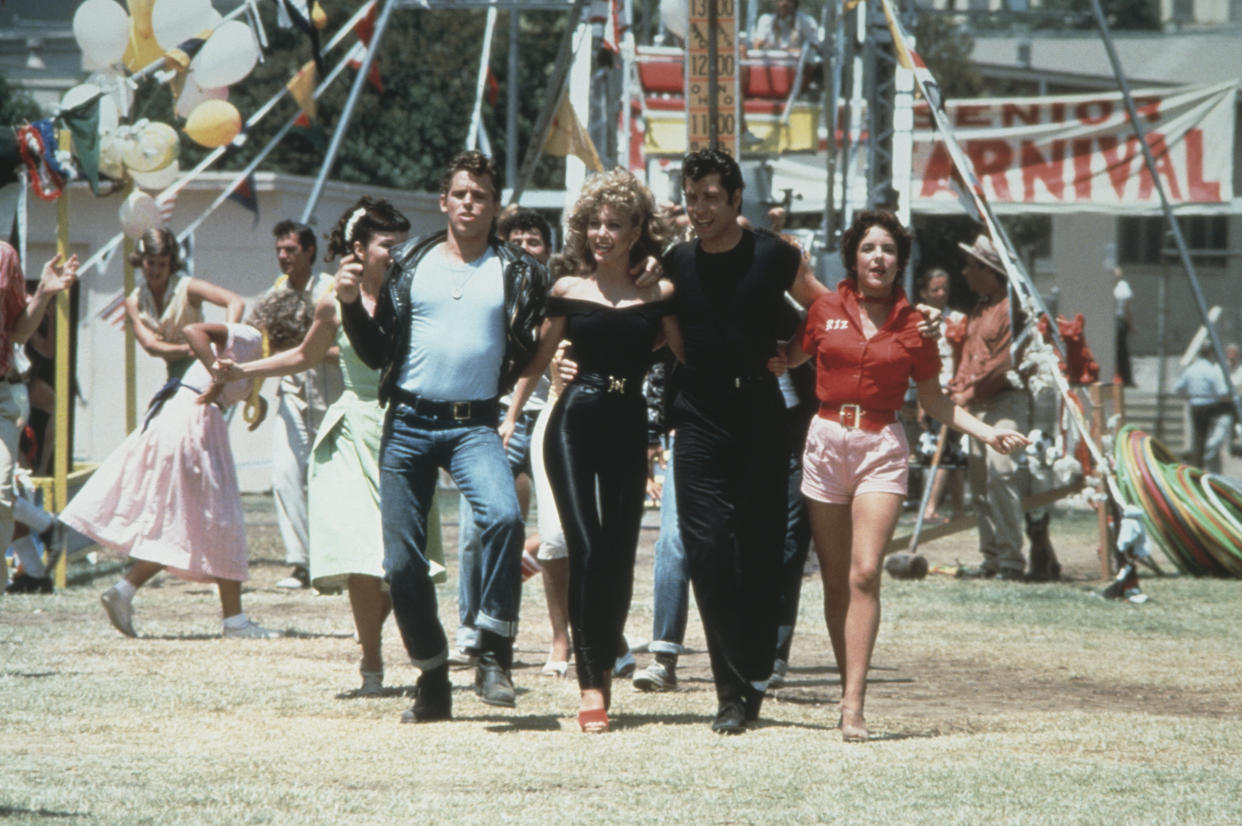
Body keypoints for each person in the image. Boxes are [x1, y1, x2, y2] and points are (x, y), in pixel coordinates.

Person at [774, 209, 1028, 742]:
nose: (878, 258)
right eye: (868, 248)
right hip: (823, 443)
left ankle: (854, 707)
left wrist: (987, 433)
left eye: (888, 250)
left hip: (881, 447)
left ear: (900, 262)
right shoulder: (822, 310)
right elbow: (786, 357)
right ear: (852, 258)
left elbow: (934, 400)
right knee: (837, 579)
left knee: (866, 573)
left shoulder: (916, 326)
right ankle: (848, 685)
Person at [337, 151, 548, 723]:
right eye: (460, 193)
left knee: (504, 517)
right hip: (406, 423)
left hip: (473, 423)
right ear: (444, 201)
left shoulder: (520, 270)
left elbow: (535, 339)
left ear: (494, 204)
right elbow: (378, 350)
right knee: (402, 565)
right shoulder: (410, 261)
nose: (469, 203)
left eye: (480, 195)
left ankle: (493, 651)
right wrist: (351, 303)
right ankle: (432, 678)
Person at [216, 197, 436, 695]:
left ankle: (407, 655)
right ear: (359, 249)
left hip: (404, 428)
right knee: (362, 555)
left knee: (400, 565)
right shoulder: (332, 302)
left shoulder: (418, 296)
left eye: (403, 246)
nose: (397, 255)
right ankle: (372, 666)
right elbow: (302, 354)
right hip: (351, 432)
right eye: (387, 246)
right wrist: (243, 371)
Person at [502, 168, 678, 733]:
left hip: (628, 428)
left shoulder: (660, 291)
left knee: (621, 554)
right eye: (595, 223)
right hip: (572, 424)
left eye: (615, 224)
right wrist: (507, 417)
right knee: (587, 548)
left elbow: (682, 352)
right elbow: (535, 359)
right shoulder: (566, 291)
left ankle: (605, 660)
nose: (603, 233)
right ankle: (590, 686)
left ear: (635, 232)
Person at [661, 148, 827, 734]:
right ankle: (732, 690)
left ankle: (751, 677)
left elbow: (824, 305)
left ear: (737, 201)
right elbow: (669, 326)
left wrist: (800, 352)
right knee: (705, 549)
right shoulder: (675, 261)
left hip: (760, 411)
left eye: (712, 197)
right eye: (692, 196)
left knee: (761, 552)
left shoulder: (775, 255)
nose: (700, 208)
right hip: (699, 415)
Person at [64, 291, 312, 639]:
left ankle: (123, 591)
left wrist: (249, 397)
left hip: (197, 422)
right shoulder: (249, 335)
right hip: (192, 421)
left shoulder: (258, 351)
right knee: (222, 518)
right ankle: (235, 622)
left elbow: (232, 383)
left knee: (188, 521)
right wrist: (217, 373)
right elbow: (195, 330)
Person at [453, 208, 555, 666]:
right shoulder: (486, 292)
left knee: (562, 530)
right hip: (496, 418)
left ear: (547, 250)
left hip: (550, 419)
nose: (525, 249)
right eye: (516, 241)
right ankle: (471, 625)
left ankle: (565, 632)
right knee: (481, 527)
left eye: (534, 241)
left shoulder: (562, 295)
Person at [948, 233, 1033, 581]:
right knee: (980, 483)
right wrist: (956, 388)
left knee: (1002, 475)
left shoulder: (1011, 310)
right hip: (975, 404)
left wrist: (966, 394)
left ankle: (1012, 561)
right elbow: (969, 358)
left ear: (989, 271)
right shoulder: (979, 309)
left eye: (972, 267)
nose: (965, 273)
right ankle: (992, 559)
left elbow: (1001, 364)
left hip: (1004, 401)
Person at [268, 220, 344, 590]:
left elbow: (347, 351)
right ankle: (300, 563)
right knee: (283, 474)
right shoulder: (277, 293)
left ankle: (332, 564)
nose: (283, 256)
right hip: (291, 395)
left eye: (291, 250)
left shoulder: (330, 289)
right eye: (279, 249)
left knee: (329, 483)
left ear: (310, 251)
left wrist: (307, 350)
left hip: (331, 399)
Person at [0, 243, 77, 593]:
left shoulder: (4, 257)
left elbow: (17, 332)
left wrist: (44, 292)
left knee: (1, 493)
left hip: (3, 394)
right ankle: (45, 532)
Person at [124, 228, 244, 380]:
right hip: (175, 371)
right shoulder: (134, 301)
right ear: (141, 260)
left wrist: (224, 345)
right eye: (150, 262)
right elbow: (150, 345)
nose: (155, 270)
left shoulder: (187, 288)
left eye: (162, 264)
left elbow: (235, 301)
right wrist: (188, 348)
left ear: (171, 265)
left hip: (203, 365)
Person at [917, 267, 967, 523]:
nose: (940, 294)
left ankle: (956, 509)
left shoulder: (957, 319)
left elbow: (964, 357)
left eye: (944, 289)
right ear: (924, 291)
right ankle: (931, 506)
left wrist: (960, 388)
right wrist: (921, 401)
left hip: (955, 390)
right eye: (935, 289)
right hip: (931, 390)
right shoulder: (918, 318)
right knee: (936, 447)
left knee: (955, 451)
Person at [1174, 341, 1232, 472]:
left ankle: (1197, 462)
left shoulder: (1191, 369)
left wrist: (1188, 395)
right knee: (1226, 417)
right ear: (1211, 354)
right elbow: (1222, 391)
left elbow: (1178, 388)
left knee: (1199, 434)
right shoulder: (1211, 370)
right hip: (1209, 405)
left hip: (1194, 404)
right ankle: (1208, 450)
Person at [753, 0, 819, 52]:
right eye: (780, 0)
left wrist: (793, 51)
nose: (784, 3)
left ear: (795, 3)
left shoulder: (806, 21)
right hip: (772, 65)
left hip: (797, 65)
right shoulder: (766, 20)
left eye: (789, 0)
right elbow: (757, 44)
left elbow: (814, 46)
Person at [1113, 266, 1134, 387]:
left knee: (1121, 350)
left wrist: (1130, 324)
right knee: (1121, 350)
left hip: (1119, 320)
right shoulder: (1121, 287)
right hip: (1118, 320)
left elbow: (1127, 308)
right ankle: (1123, 377)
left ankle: (1124, 377)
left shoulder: (1122, 287)